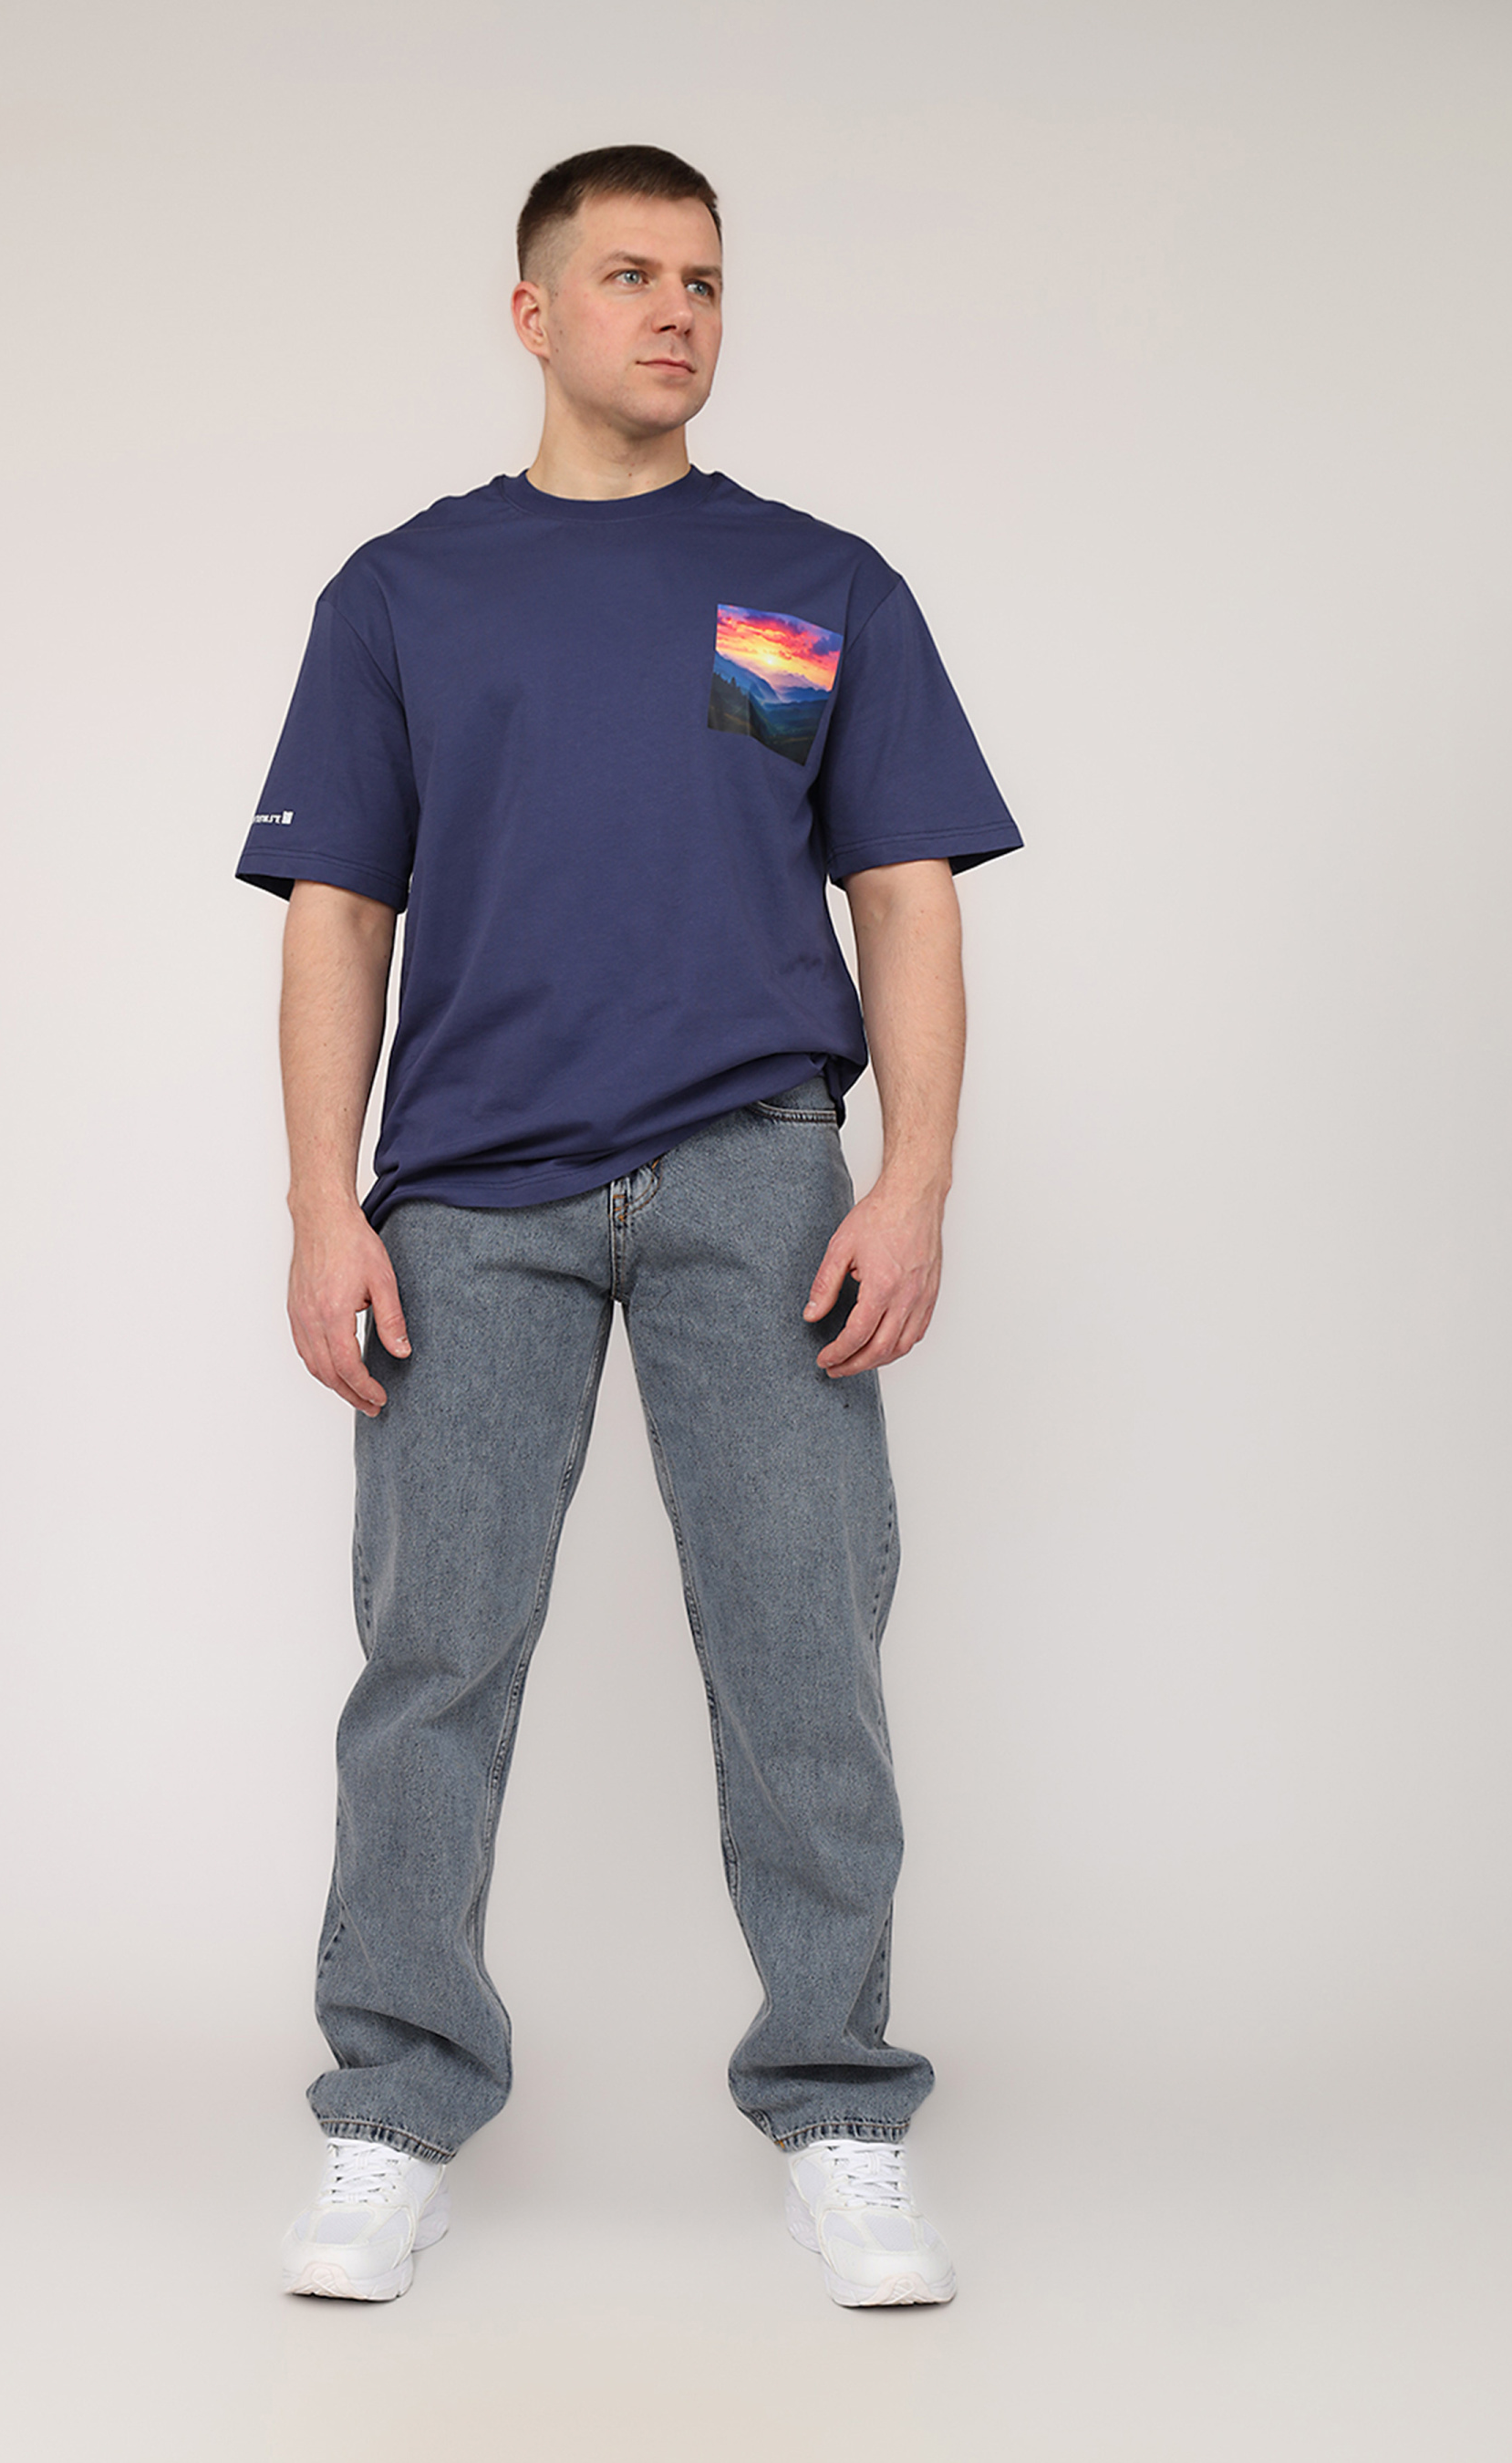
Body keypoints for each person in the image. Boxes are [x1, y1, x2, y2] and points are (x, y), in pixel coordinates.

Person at [235, 144, 1022, 2309]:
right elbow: (336, 914)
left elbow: (902, 896)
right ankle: (391, 2114)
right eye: (628, 275)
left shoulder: (808, 584)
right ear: (534, 313)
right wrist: (318, 1208)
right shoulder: (404, 595)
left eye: (703, 279)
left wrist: (912, 1181)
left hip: (755, 1170)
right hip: (464, 1199)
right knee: (433, 1662)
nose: (675, 310)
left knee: (800, 1657)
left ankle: (839, 2113)